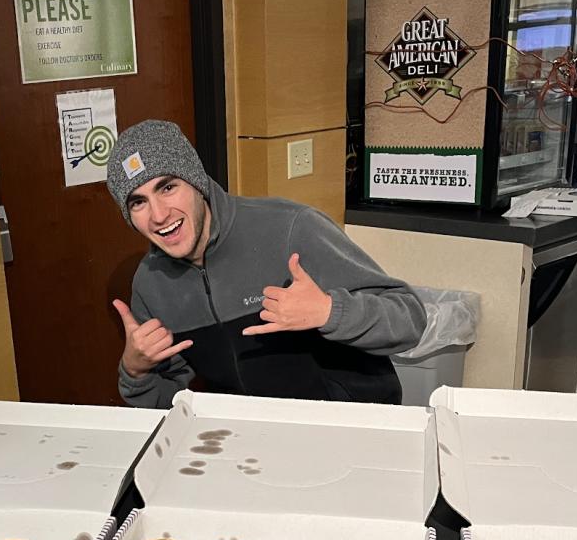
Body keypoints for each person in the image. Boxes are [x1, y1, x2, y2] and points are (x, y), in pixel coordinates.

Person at [105, 119, 427, 408]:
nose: (159, 215)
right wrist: (135, 372)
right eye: (139, 202)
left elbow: (409, 319)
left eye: (168, 187)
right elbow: (170, 405)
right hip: (251, 445)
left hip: (352, 427)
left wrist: (328, 311)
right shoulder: (151, 284)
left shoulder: (289, 228)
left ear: (196, 183)